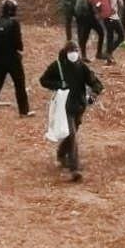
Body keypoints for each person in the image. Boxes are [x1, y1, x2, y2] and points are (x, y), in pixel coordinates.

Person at [41, 44, 103, 182]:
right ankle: (74, 168)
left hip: (79, 105)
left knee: (72, 132)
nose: (73, 54)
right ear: (65, 52)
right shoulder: (58, 66)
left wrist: (93, 94)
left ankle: (61, 153)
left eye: (75, 51)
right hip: (64, 107)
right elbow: (43, 80)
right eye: (71, 51)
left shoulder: (82, 67)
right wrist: (59, 85)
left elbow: (96, 83)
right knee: (72, 134)